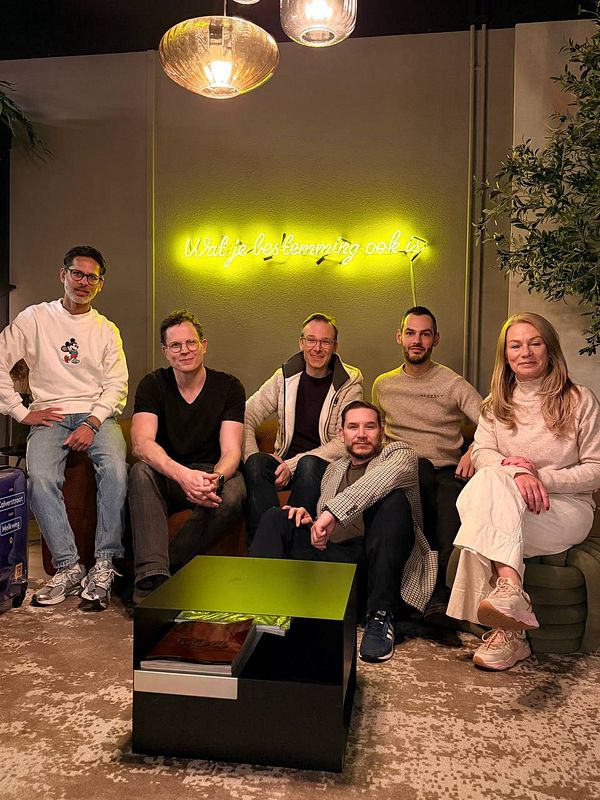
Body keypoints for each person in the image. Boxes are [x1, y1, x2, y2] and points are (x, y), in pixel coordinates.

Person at [447, 312, 600, 670]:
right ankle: (511, 600)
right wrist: (518, 473)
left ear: (550, 349)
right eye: (515, 345)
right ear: (505, 354)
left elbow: (596, 470)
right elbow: (483, 453)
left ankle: (509, 631)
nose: (525, 352)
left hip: (563, 509)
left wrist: (541, 478)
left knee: (480, 523)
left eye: (535, 343)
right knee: (488, 481)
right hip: (508, 502)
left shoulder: (579, 400)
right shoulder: (494, 404)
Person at [250, 400, 437, 663]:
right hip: (339, 564)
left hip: (380, 567)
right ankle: (259, 610)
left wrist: (331, 513)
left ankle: (380, 616)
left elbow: (375, 484)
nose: (361, 433)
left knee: (391, 502)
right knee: (276, 517)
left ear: (381, 432)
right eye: (353, 427)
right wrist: (310, 521)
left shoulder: (400, 454)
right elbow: (323, 528)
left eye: (369, 426)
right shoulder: (333, 470)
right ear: (342, 434)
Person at [0, 245, 128, 610]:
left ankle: (104, 563)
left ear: (100, 284)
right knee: (38, 477)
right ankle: (70, 567)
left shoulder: (106, 330)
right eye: (77, 273)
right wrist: (21, 413)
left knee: (117, 470)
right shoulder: (34, 319)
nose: (83, 282)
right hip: (50, 415)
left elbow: (116, 385)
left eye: (92, 277)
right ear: (63, 275)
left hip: (96, 414)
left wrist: (91, 421)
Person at [372, 306, 481, 625]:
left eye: (425, 334)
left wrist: (473, 448)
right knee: (414, 471)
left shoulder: (452, 383)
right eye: (410, 333)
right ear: (399, 337)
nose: (417, 340)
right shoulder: (383, 384)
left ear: (436, 339)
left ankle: (441, 598)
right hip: (397, 471)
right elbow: (374, 431)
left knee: (449, 505)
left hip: (445, 470)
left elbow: (492, 422)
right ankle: (408, 597)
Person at [128, 309, 246, 605]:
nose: (185, 351)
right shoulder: (152, 385)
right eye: (176, 346)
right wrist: (182, 475)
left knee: (235, 490)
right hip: (168, 474)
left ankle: (155, 576)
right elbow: (141, 444)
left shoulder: (229, 387)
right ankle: (152, 578)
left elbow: (232, 450)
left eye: (191, 343)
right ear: (165, 352)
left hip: (210, 473)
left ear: (203, 345)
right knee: (140, 472)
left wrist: (215, 479)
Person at [243, 312, 363, 542]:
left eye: (325, 342)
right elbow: (246, 415)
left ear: (335, 346)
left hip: (323, 467)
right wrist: (252, 457)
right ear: (301, 343)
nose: (317, 348)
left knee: (307, 465)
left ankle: (295, 544)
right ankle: (263, 546)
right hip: (283, 462)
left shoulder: (349, 381)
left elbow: (344, 440)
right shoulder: (285, 376)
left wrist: (292, 465)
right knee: (257, 463)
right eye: (311, 340)